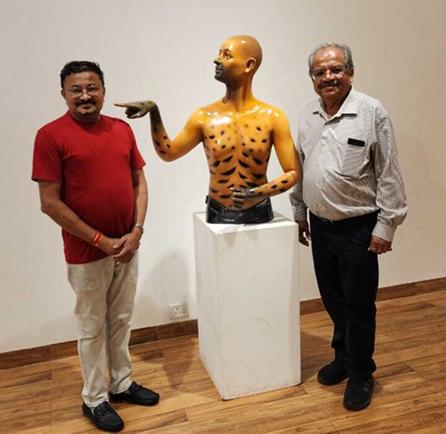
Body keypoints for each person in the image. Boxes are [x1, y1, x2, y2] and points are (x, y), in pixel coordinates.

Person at [32, 61, 159, 432]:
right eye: (76, 89)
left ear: (103, 90)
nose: (85, 96)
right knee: (92, 327)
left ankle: (120, 383)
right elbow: (49, 203)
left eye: (92, 88)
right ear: (63, 94)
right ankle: (94, 398)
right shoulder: (50, 136)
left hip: (128, 246)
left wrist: (137, 231)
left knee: (120, 320)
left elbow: (139, 183)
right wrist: (101, 241)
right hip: (87, 253)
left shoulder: (121, 129)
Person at [290, 43, 407, 411]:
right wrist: (298, 211)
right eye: (320, 72)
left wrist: (386, 226)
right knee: (332, 299)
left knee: (358, 305)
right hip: (319, 226)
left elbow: (388, 172)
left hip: (358, 227)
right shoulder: (307, 115)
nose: (328, 77)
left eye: (336, 69)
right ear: (312, 78)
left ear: (351, 73)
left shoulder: (371, 111)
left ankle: (360, 374)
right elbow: (300, 168)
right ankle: (343, 357)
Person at [115, 35, 300, 224]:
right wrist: (154, 113)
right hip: (218, 212)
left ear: (249, 65)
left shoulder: (273, 117)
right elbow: (168, 153)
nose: (216, 60)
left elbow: (293, 172)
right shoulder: (204, 116)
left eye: (227, 55)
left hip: (258, 211)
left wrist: (255, 193)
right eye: (219, 54)